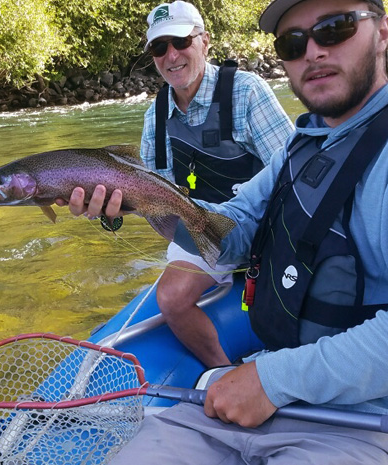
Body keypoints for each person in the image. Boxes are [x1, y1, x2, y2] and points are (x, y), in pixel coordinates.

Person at [63, 0, 388, 463]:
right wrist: (139, 199)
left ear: (382, 32)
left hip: (378, 423)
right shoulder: (303, 145)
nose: (312, 51)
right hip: (268, 402)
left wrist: (271, 379)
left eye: (334, 29)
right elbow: (227, 237)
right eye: (293, 42)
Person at [80, 1, 293, 368]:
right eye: (159, 48)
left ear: (205, 42)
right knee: (172, 297)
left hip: (264, 228)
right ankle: (223, 372)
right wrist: (109, 215)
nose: (171, 55)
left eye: (180, 41)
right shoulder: (155, 117)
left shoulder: (246, 92)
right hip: (196, 229)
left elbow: (293, 171)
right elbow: (149, 197)